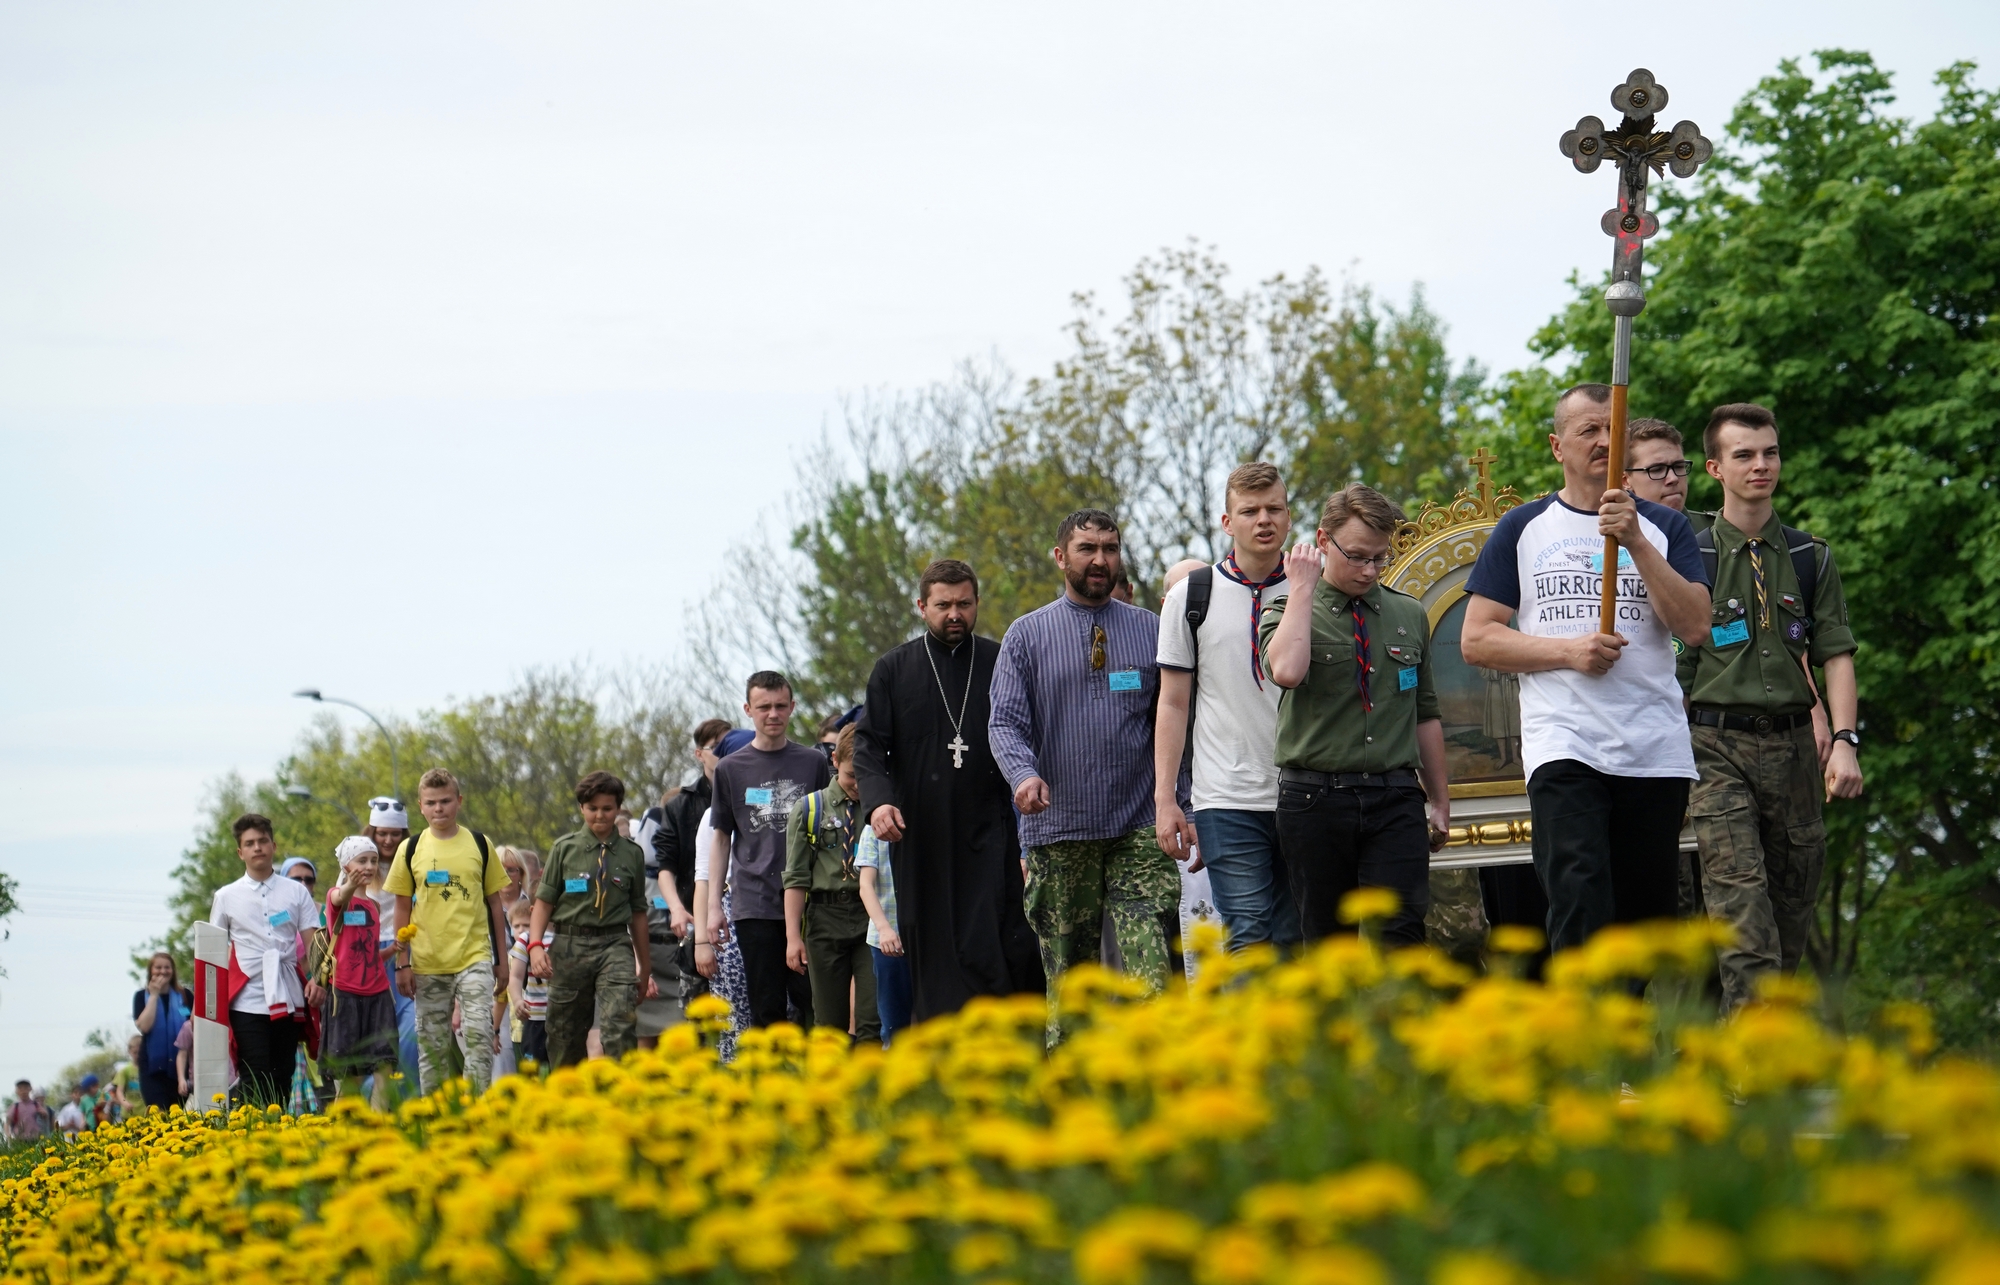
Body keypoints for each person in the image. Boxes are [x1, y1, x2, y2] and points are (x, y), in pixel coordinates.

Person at [1461, 383, 1712, 954]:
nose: (1603, 440)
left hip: (1653, 748)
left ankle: (1625, 1036)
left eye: (1613, 429)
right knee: (1578, 896)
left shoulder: (1666, 530)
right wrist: (1568, 652)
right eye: (1588, 430)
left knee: (1644, 917)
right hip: (1565, 744)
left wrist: (1635, 542)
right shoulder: (1524, 528)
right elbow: (1477, 640)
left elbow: (1696, 626)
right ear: (1557, 446)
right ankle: (1582, 1030)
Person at [1680, 403, 1862, 1010]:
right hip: (1714, 747)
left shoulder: (1811, 557)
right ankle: (1749, 1070)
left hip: (1794, 753)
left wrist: (1843, 741)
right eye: (1744, 455)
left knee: (1790, 918)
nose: (1761, 465)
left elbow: (1835, 652)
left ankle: (1747, 1053)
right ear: (1714, 467)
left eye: (1770, 452)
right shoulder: (1693, 556)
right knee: (1740, 910)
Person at [991, 512, 1180, 1039]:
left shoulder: (1150, 630)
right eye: (1087, 548)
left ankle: (1156, 1094)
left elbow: (1175, 721)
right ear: (1060, 557)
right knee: (1072, 986)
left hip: (1140, 829)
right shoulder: (1026, 636)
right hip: (1059, 832)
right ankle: (1073, 1097)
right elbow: (1004, 721)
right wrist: (1022, 776)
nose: (1100, 559)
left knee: (1150, 976)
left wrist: (1178, 800)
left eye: (1110, 548)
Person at [1259, 484, 1452, 945]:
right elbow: (1286, 671)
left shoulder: (1407, 614)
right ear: (1323, 542)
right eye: (1358, 556)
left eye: (1379, 558)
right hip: (1315, 801)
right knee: (1330, 944)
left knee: (1402, 936)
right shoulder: (1285, 610)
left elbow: (1425, 713)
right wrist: (1303, 587)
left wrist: (1441, 799)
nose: (1369, 570)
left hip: (1396, 796)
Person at [856, 559, 1044, 1023]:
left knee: (1002, 941)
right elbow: (869, 746)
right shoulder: (893, 670)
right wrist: (879, 802)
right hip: (921, 836)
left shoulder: (1002, 660)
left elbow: (1033, 732)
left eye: (964, 604)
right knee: (934, 949)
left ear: (977, 603)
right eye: (943, 605)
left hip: (993, 829)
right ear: (922, 607)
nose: (954, 614)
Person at [1155, 462, 1302, 953]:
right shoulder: (1190, 597)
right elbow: (1173, 703)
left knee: (1298, 938)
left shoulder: (1314, 591)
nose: (1264, 520)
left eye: (1274, 509)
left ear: (1288, 516)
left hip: (1306, 789)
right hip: (1226, 796)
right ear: (1227, 522)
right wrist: (1165, 800)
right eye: (1250, 511)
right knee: (1248, 933)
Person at [708, 675, 829, 1029]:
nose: (772, 714)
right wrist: (715, 906)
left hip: (808, 901)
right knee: (766, 1006)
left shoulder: (813, 763)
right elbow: (721, 837)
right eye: (764, 707)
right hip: (754, 902)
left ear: (792, 707)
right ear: (748, 710)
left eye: (780, 706)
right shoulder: (730, 769)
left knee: (814, 1003)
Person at [386, 769, 511, 1096]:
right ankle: (437, 1120)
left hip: (475, 958)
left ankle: (476, 1112)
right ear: (421, 806)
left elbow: (495, 904)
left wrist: (503, 960)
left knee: (479, 1039)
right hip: (428, 962)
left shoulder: (480, 844)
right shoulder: (410, 848)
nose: (438, 808)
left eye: (445, 801)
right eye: (431, 803)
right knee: (432, 1048)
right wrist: (403, 961)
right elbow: (401, 907)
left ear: (459, 801)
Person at [528, 771, 656, 1066]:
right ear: (582, 808)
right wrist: (535, 945)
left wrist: (644, 967)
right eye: (593, 808)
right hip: (569, 945)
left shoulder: (631, 853)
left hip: (614, 944)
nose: (600, 815)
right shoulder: (564, 848)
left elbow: (638, 912)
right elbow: (543, 903)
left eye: (607, 808)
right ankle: (567, 1100)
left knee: (619, 1024)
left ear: (618, 808)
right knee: (565, 1032)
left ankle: (622, 1097)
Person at [209, 813, 321, 1107]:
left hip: (288, 995)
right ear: (240, 852)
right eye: (249, 843)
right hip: (247, 999)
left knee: (283, 1074)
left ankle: (280, 1136)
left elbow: (313, 941)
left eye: (262, 841)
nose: (257, 847)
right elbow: (214, 952)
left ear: (273, 845)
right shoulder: (226, 896)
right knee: (255, 1073)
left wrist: (319, 980)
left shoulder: (296, 891)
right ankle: (250, 1135)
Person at [783, 724, 881, 1044]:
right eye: (853, 775)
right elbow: (796, 878)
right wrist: (792, 937)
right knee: (829, 1023)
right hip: (825, 919)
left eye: (865, 774)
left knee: (871, 1018)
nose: (858, 784)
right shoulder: (810, 809)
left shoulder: (879, 807)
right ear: (835, 760)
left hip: (869, 916)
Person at [651, 719, 731, 1019]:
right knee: (700, 1020)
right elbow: (666, 866)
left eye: (731, 746)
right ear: (699, 754)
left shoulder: (751, 794)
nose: (725, 754)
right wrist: (675, 908)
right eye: (717, 748)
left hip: (745, 918)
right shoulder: (680, 806)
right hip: (696, 920)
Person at [321, 836, 399, 1108]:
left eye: (374, 861)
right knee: (350, 1072)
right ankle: (345, 1124)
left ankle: (381, 1122)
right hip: (346, 995)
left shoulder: (374, 907)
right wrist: (350, 883)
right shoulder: (337, 897)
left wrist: (391, 951)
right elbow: (340, 896)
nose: (368, 866)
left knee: (384, 1065)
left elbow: (368, 953)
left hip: (378, 994)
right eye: (361, 860)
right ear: (345, 864)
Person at [363, 797, 419, 1084]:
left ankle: (409, 1093)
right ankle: (372, 1100)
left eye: (394, 834)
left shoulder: (414, 861)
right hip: (370, 955)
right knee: (375, 1035)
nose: (387, 840)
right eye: (381, 833)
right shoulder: (358, 863)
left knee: (411, 1029)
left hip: (405, 951)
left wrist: (404, 954)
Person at [853, 820, 907, 1043]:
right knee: (894, 1026)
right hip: (887, 940)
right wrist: (885, 929)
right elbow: (865, 885)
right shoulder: (872, 828)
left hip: (929, 939)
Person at [132, 951, 192, 1111]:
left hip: (181, 1066)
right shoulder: (140, 997)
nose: (163, 971)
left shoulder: (185, 996)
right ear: (151, 971)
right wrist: (154, 995)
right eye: (158, 968)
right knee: (158, 1113)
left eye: (167, 967)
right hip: (153, 1068)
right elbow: (144, 1026)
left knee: (178, 1115)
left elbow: (193, 1025)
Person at [506, 901, 553, 1066]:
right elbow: (516, 976)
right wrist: (518, 1000)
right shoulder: (526, 939)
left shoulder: (569, 937)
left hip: (562, 1016)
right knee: (532, 1069)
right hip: (535, 1017)